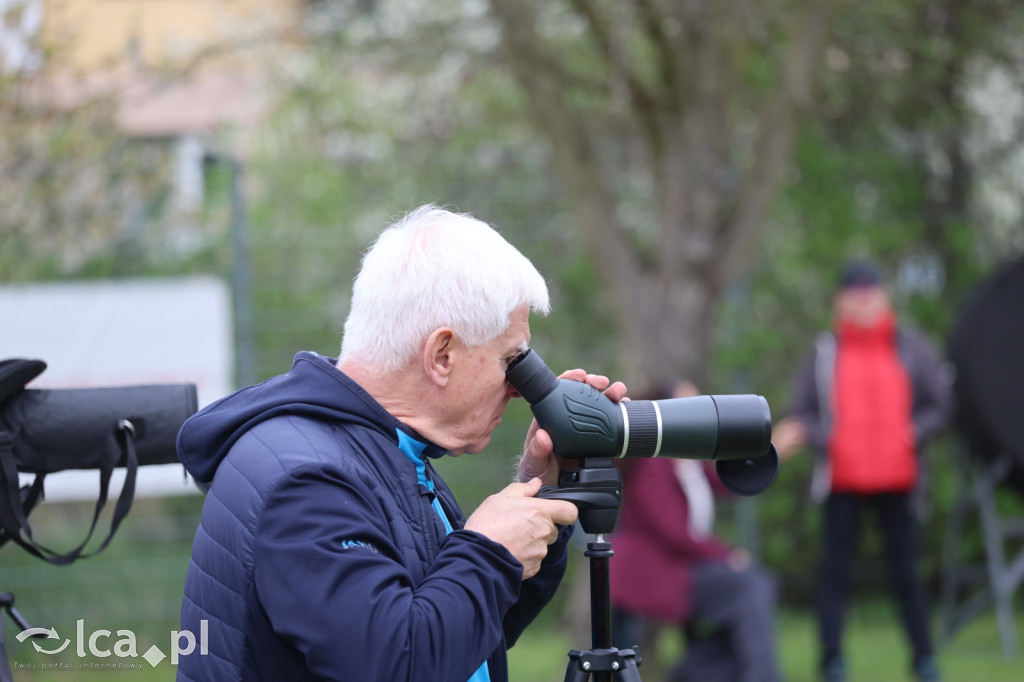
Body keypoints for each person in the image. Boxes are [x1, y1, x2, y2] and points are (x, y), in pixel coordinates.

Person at [175, 205, 628, 681]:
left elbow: (466, 637)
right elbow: (395, 663)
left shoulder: (378, 451)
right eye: (511, 360)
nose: (519, 388)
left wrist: (543, 489)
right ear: (442, 354)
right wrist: (489, 550)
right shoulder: (307, 481)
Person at [773, 260, 952, 682]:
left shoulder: (911, 346)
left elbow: (941, 404)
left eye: (870, 292)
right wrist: (828, 438)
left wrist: (913, 431)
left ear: (884, 296)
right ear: (841, 301)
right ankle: (831, 659)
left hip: (900, 480)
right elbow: (800, 412)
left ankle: (924, 658)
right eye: (855, 293)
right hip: (843, 479)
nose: (864, 300)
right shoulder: (824, 351)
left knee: (908, 575)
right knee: (834, 573)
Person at [609, 379, 782, 682]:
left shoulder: (689, 461)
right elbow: (671, 530)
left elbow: (727, 482)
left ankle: (693, 674)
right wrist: (726, 555)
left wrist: (768, 454)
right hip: (655, 571)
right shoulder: (652, 463)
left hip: (683, 566)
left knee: (753, 591)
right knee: (749, 588)